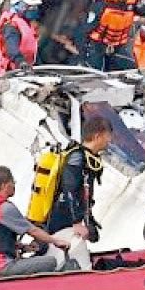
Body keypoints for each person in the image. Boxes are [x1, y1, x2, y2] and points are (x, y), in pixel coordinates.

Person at [0, 166, 82, 277]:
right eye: (12, 182)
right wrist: (56, 241)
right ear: (4, 185)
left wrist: (22, 247)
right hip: (0, 266)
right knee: (50, 261)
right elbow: (33, 230)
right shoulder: (4, 208)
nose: (14, 185)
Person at [44, 115, 113, 271]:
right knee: (72, 259)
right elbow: (70, 189)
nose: (109, 142)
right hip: (63, 220)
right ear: (98, 136)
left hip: (73, 217)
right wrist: (76, 222)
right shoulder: (77, 158)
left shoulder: (89, 158)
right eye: (107, 137)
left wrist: (88, 219)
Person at [0, 0, 41, 76]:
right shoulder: (11, 25)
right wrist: (21, 62)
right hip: (7, 73)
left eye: (34, 7)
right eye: (29, 6)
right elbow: (11, 48)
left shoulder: (27, 25)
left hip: (22, 72)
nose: (32, 9)